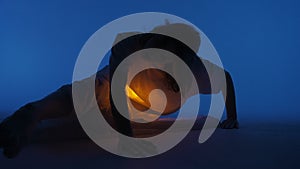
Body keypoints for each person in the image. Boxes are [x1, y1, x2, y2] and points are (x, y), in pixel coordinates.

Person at [0, 23, 239, 158]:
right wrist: (127, 139)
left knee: (87, 128)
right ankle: (31, 114)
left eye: (171, 52)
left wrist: (232, 117)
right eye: (158, 42)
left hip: (140, 111)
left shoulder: (194, 70)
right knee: (76, 94)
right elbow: (115, 89)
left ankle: (31, 134)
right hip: (109, 86)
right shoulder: (128, 44)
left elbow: (225, 78)